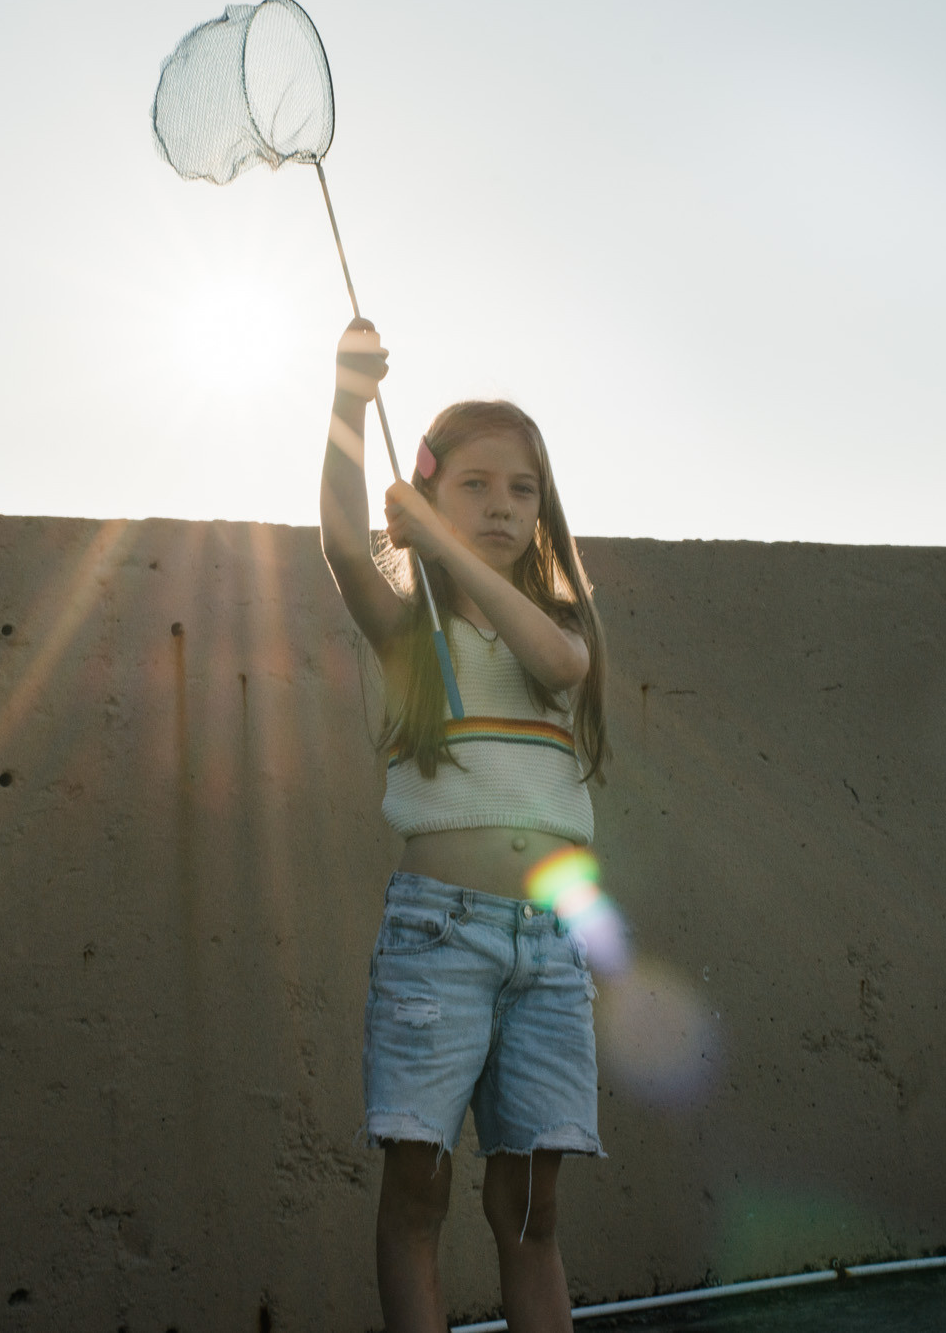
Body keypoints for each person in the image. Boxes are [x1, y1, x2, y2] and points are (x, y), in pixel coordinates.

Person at [320, 317, 612, 1333]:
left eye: (521, 490)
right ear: (432, 487)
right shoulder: (415, 634)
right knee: (419, 1196)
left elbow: (562, 663)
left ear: (544, 508)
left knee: (530, 1207)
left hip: (551, 943)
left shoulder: (562, 622)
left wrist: (439, 538)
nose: (500, 507)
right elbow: (339, 544)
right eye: (473, 487)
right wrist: (352, 402)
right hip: (439, 935)